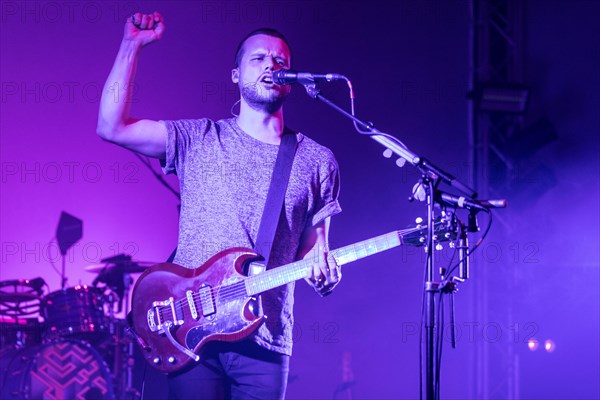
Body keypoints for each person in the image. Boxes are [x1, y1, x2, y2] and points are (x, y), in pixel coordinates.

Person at [97, 12, 342, 400]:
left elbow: (315, 245)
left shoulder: (317, 159)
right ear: (235, 75)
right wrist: (132, 45)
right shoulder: (199, 138)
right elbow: (111, 127)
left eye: (280, 61)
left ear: (291, 80)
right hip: (192, 333)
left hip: (266, 336)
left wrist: (323, 271)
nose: (271, 65)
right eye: (258, 59)